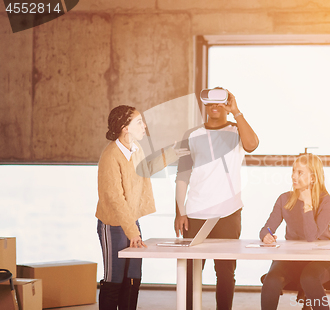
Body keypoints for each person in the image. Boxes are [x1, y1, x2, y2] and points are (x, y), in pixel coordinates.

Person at [96, 105, 188, 310]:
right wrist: (132, 232)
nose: (144, 125)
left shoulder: (135, 149)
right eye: (138, 122)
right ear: (124, 127)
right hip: (113, 224)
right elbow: (115, 199)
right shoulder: (110, 156)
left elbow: (146, 168)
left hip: (130, 221)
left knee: (133, 276)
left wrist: (171, 153)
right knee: (115, 278)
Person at [175, 89, 259, 310]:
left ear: (227, 104)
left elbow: (252, 145)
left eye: (220, 102)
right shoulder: (191, 135)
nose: (214, 106)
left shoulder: (236, 131)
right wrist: (179, 211)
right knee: (191, 272)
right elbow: (182, 175)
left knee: (225, 272)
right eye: (210, 102)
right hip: (195, 213)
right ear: (205, 104)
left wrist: (237, 112)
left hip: (228, 213)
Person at [259, 154, 330, 310]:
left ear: (313, 178)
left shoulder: (327, 202)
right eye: (293, 171)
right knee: (271, 280)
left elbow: (311, 237)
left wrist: (307, 204)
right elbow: (267, 227)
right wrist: (266, 235)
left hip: (322, 261)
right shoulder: (284, 199)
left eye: (300, 172)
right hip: (292, 258)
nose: (293, 176)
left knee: (309, 278)